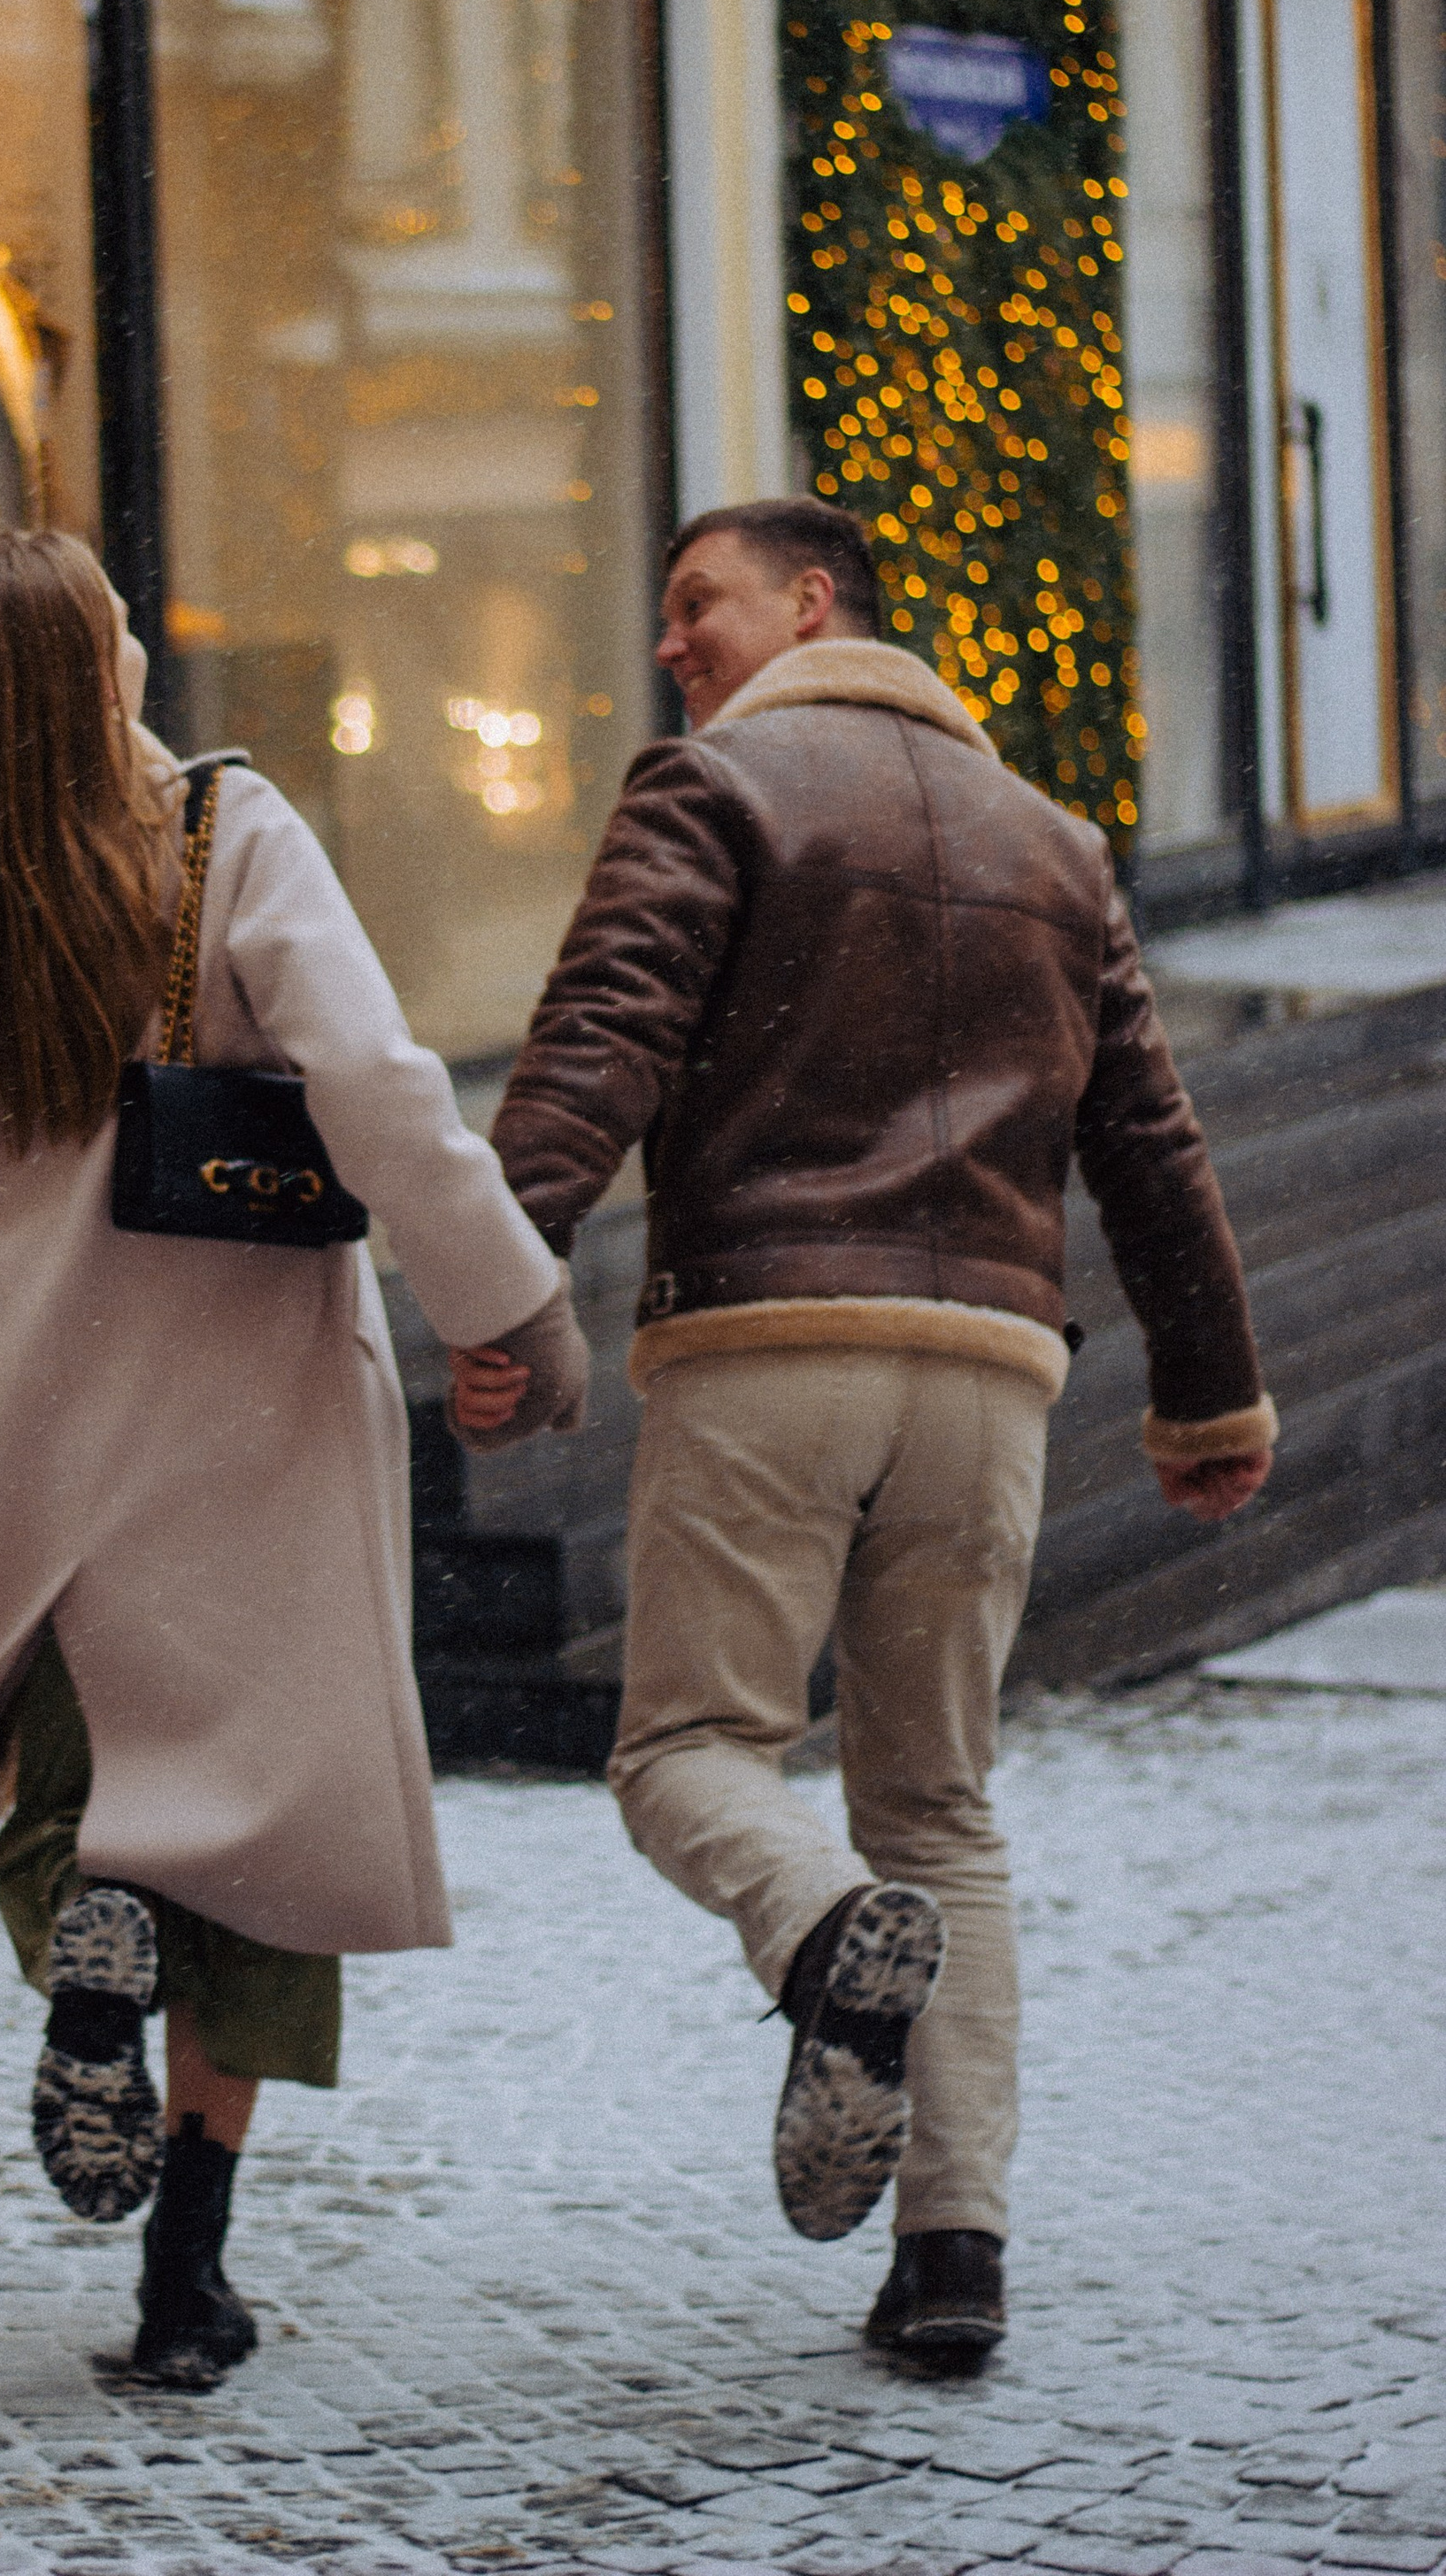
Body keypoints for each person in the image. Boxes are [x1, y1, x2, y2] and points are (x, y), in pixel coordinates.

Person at [0, 528, 586, 2389]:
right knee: (257, 1839)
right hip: (246, 1408)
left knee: (74, 1791)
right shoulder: (225, 838)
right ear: (103, 662)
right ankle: (185, 2287)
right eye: (118, 619)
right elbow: (374, 1089)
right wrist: (507, 1304)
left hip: (37, 1421)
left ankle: (87, 1949)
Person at [457, 497, 1273, 2369]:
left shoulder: (713, 791)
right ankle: (952, 2255)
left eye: (696, 605)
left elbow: (601, 1037)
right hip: (985, 1367)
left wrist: (503, 1288)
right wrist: (1204, 1386)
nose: (668, 643)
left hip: (768, 1341)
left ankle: (825, 1941)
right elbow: (1145, 1139)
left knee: (684, 1754)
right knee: (941, 1811)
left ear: (808, 602)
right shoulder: (1054, 845)